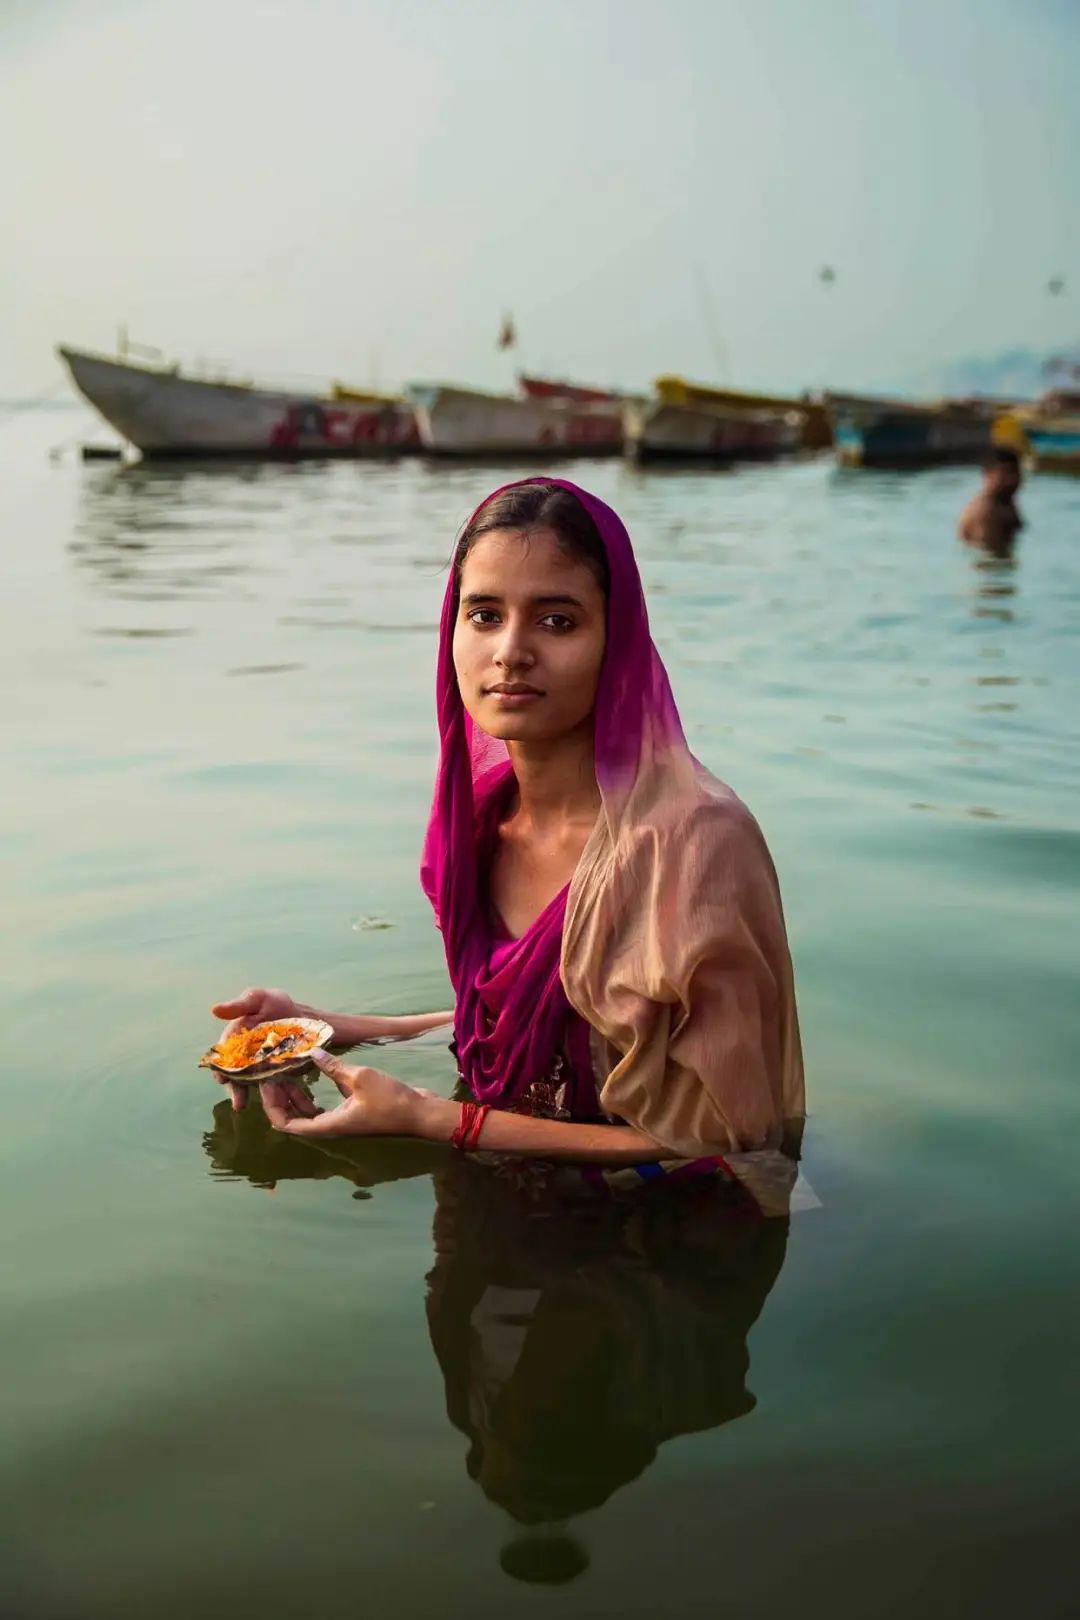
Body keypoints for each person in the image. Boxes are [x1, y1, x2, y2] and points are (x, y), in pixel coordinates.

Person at [209, 479, 804, 1195]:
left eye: (557, 622)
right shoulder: (480, 824)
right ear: (450, 630)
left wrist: (440, 1122)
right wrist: (327, 1029)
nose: (511, 651)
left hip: (671, 1229)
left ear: (617, 640)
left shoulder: (691, 843)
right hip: (514, 1199)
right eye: (484, 615)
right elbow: (553, 1037)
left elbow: (726, 1135)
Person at [958, 447, 1024, 555]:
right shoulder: (986, 512)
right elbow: (991, 557)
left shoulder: (1004, 499)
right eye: (1005, 473)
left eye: (1015, 472)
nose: (1012, 479)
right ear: (987, 475)